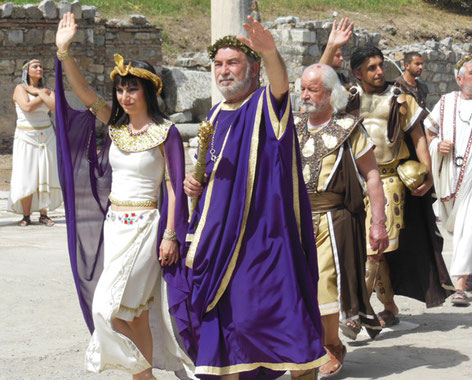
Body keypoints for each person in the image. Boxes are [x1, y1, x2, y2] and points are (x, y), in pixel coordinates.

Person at [183, 17, 327, 380]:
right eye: (218, 64)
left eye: (233, 63)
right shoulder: (215, 114)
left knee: (287, 325)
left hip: (264, 240)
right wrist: (195, 184)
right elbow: (215, 172)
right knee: (228, 334)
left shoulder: (263, 103)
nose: (224, 71)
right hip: (219, 243)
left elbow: (280, 86)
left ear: (253, 69)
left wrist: (270, 52)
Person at [55, 13, 194, 380]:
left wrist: (170, 234)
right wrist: (64, 51)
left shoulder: (168, 133)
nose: (124, 96)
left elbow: (174, 185)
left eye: (132, 89)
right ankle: (141, 377)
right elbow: (84, 94)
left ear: (148, 91)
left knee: (109, 308)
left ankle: (143, 375)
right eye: (120, 89)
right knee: (133, 312)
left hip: (147, 228)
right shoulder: (115, 127)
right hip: (115, 226)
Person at [322, 22, 452, 327]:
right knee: (362, 249)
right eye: (372, 68)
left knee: (375, 251)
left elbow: (418, 137)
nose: (380, 72)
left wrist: (428, 176)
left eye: (381, 65)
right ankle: (389, 304)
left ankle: (356, 314)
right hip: (355, 182)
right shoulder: (347, 98)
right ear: (358, 73)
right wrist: (330, 47)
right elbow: (320, 77)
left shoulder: (401, 98)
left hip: (390, 181)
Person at [297, 63, 388, 377]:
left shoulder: (348, 128)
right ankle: (306, 346)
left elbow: (372, 176)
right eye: (303, 89)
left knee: (325, 285)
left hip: (333, 222)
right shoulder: (292, 126)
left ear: (331, 94)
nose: (306, 95)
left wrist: (378, 222)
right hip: (295, 221)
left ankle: (331, 344)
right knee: (297, 287)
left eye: (313, 89)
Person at [427, 55, 472, 306]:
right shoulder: (446, 102)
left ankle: (459, 284)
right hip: (450, 173)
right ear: (459, 79)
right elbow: (429, 130)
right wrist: (436, 144)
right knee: (457, 226)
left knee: (470, 221)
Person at [8, 58, 62, 226]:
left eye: (41, 66)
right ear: (27, 70)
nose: (39, 68)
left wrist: (40, 93)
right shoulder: (20, 88)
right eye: (35, 66)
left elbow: (54, 106)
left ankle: (44, 214)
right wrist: (41, 94)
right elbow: (27, 107)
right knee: (27, 174)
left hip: (46, 134)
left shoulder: (47, 90)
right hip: (26, 136)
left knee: (44, 172)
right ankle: (26, 215)